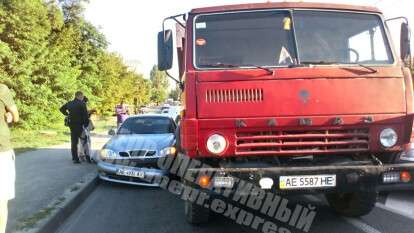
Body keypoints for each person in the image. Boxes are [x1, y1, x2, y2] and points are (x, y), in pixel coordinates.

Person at [0, 84, 19, 233]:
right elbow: (15, 116)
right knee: (1, 200)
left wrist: (10, 117)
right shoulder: (1, 89)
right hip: (2, 150)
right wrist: (11, 116)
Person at [60, 91, 89, 164]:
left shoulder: (69, 103)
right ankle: (88, 158)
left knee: (74, 142)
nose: (82, 98)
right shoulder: (82, 104)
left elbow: (61, 109)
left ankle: (75, 158)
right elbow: (85, 116)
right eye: (82, 97)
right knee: (84, 141)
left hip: (72, 125)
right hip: (80, 125)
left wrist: (67, 114)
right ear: (79, 96)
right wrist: (86, 124)